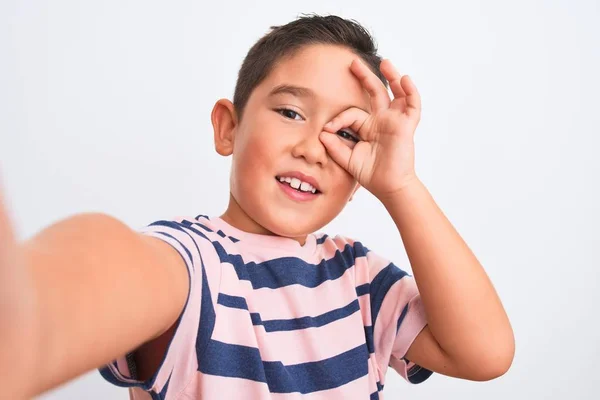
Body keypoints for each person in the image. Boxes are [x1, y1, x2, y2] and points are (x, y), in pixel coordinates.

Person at [0, 14, 514, 400]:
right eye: (291, 112)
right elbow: (114, 266)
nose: (313, 148)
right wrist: (32, 315)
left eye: (347, 134)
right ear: (228, 126)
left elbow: (485, 353)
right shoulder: (194, 265)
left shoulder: (359, 281)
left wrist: (400, 185)